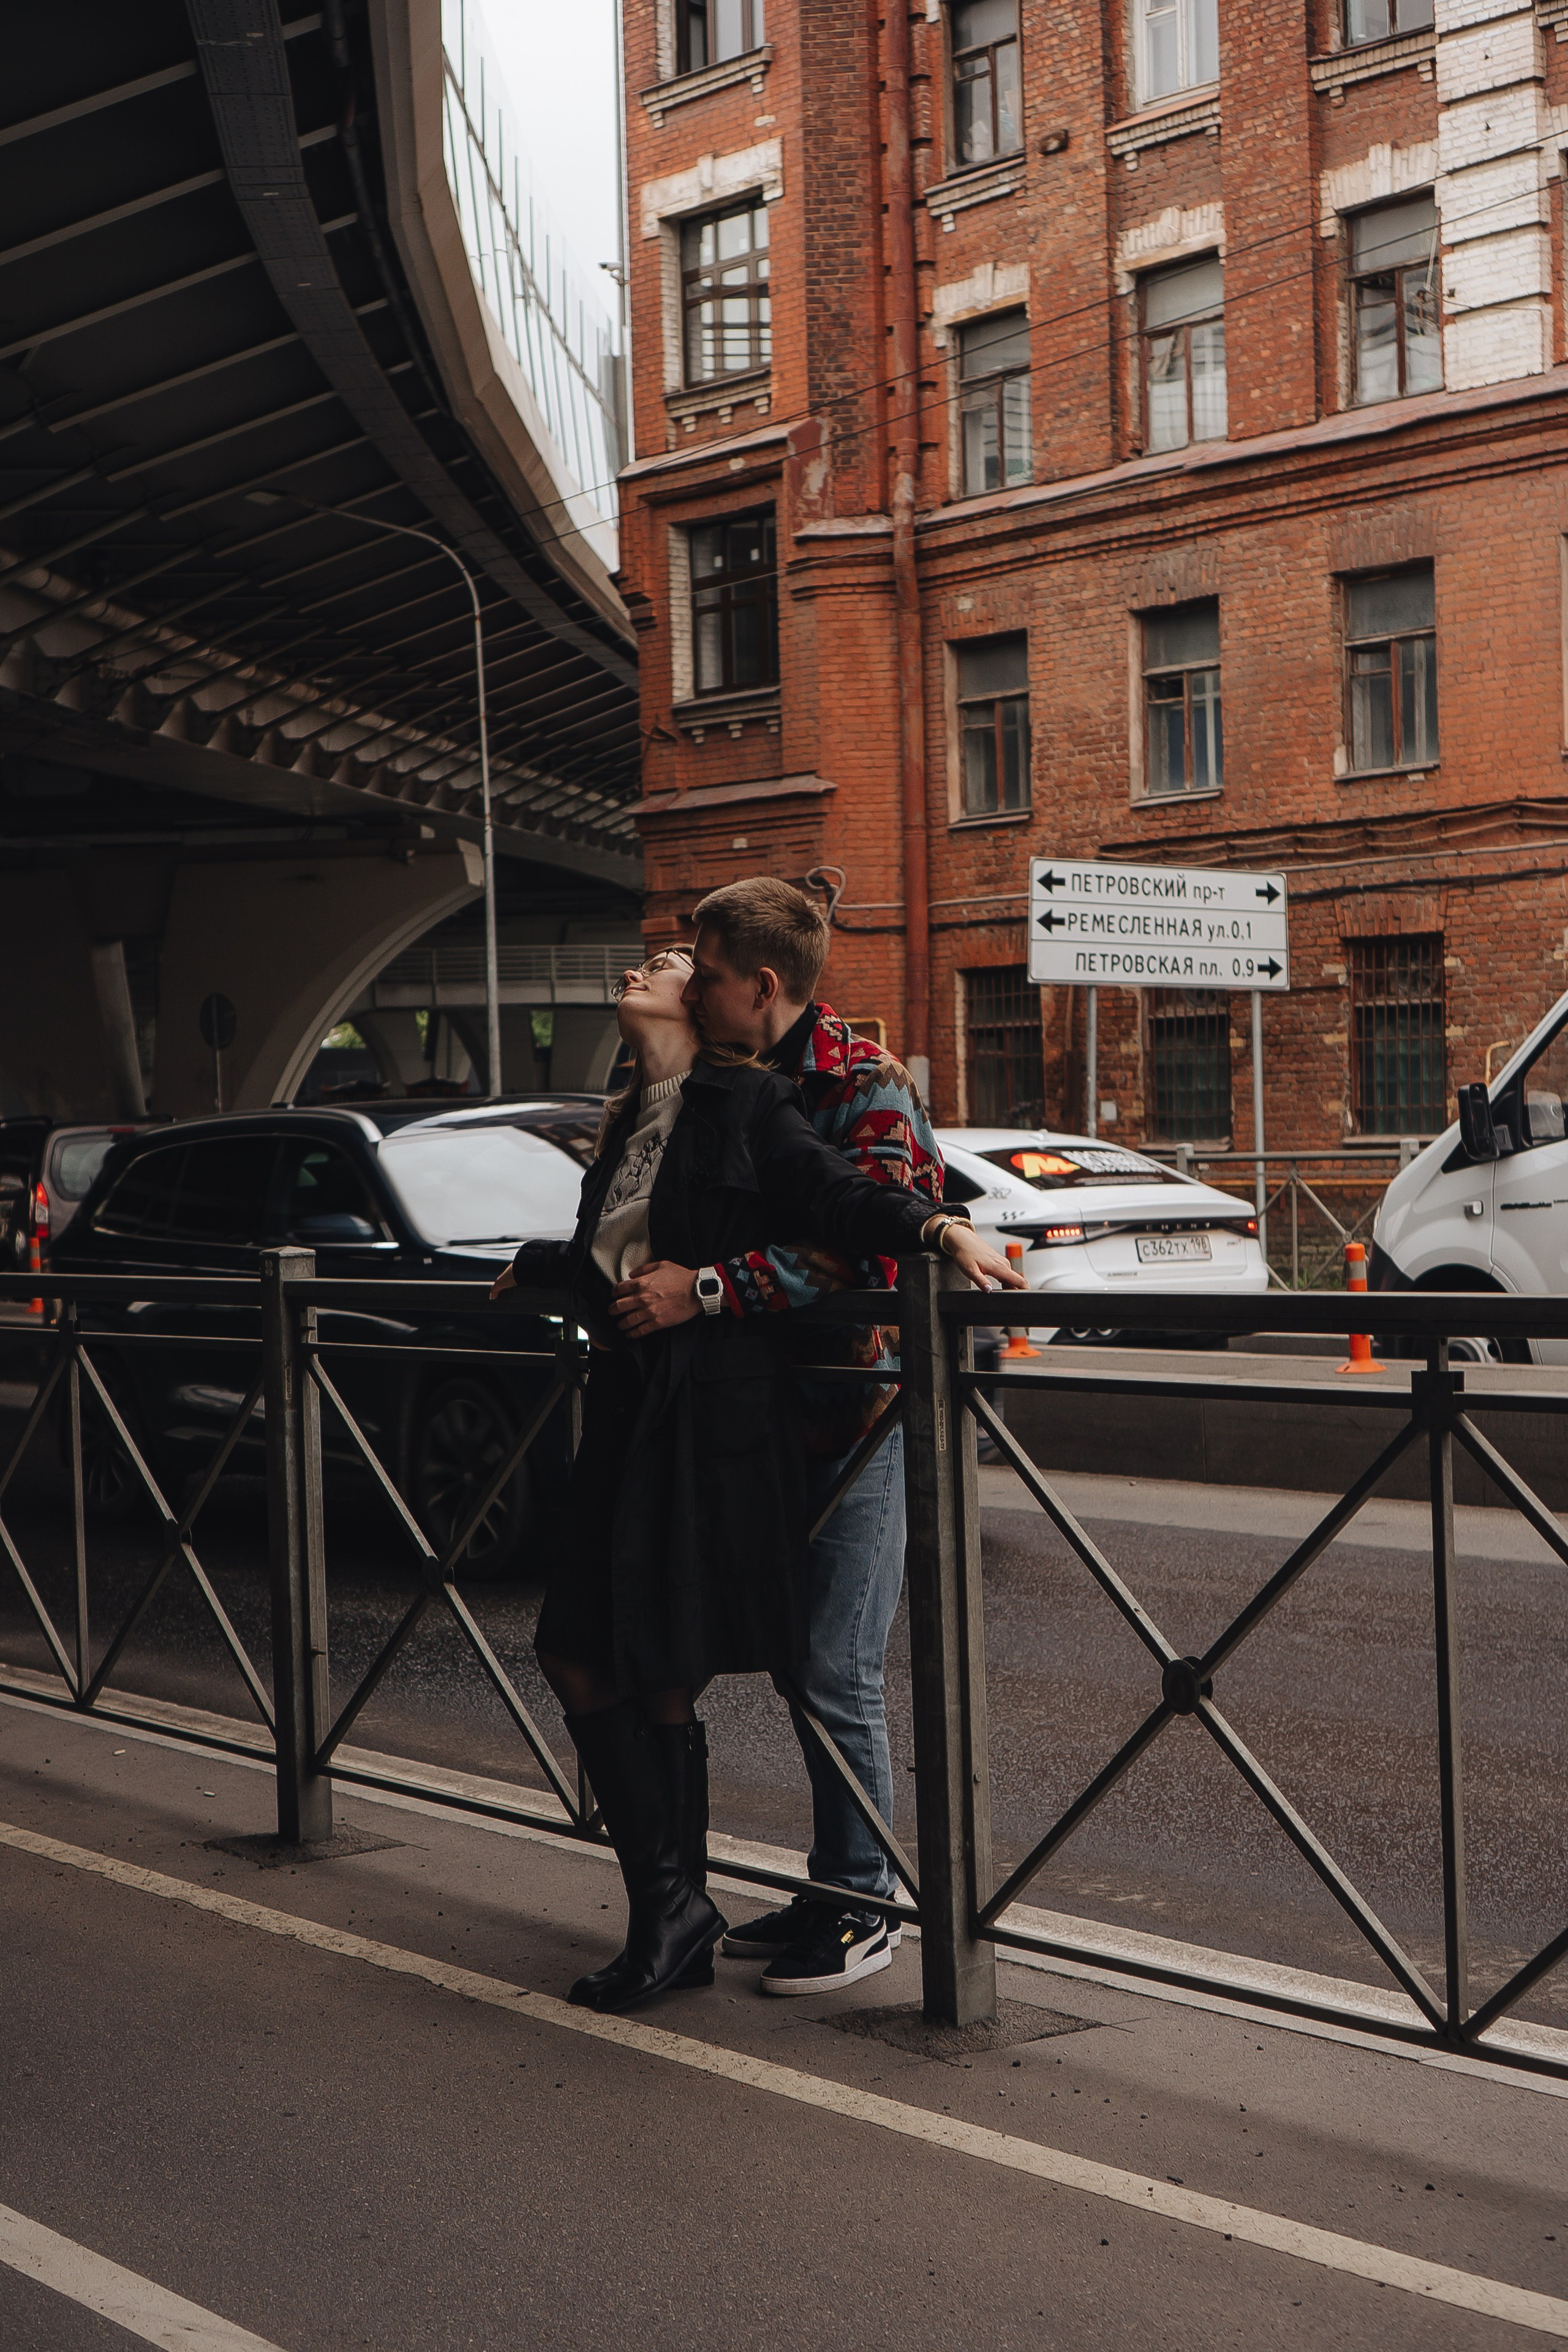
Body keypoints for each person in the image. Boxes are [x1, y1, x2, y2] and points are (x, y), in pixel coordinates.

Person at [489, 947, 1021, 2017]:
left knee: (727, 1664)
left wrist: (939, 1225)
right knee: (595, 1650)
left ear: (724, 994)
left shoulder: (752, 1098)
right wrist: (546, 1268)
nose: (650, 963)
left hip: (750, 1417)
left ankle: (753, 1910)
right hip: (637, 1411)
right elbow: (619, 1260)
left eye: (679, 960)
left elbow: (840, 1200)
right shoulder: (630, 1111)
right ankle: (681, 1910)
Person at [608, 879, 956, 1997]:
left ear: (761, 985)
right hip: (751, 1414)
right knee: (788, 1658)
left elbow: (874, 1258)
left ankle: (867, 1906)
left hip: (859, 1410)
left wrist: (711, 1288)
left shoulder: (864, 1087)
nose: (690, 985)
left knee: (833, 1664)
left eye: (704, 971)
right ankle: (832, 1883)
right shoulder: (714, 1078)